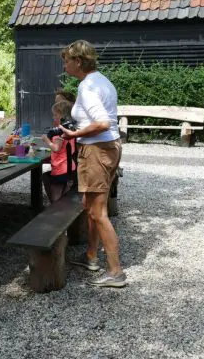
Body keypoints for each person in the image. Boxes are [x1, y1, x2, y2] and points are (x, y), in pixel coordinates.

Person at [59, 40, 125, 288]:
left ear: (78, 61)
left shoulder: (87, 87)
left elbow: (103, 123)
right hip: (108, 147)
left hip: (97, 150)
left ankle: (116, 272)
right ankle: (91, 256)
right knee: (90, 205)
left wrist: (74, 135)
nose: (64, 64)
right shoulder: (102, 81)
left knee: (98, 212)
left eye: (66, 60)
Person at [41, 99, 76, 203]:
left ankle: (56, 215)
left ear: (62, 117)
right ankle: (65, 213)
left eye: (55, 115)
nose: (53, 117)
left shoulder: (58, 132)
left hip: (60, 168)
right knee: (65, 194)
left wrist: (46, 140)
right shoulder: (71, 129)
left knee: (56, 197)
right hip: (71, 167)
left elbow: (56, 148)